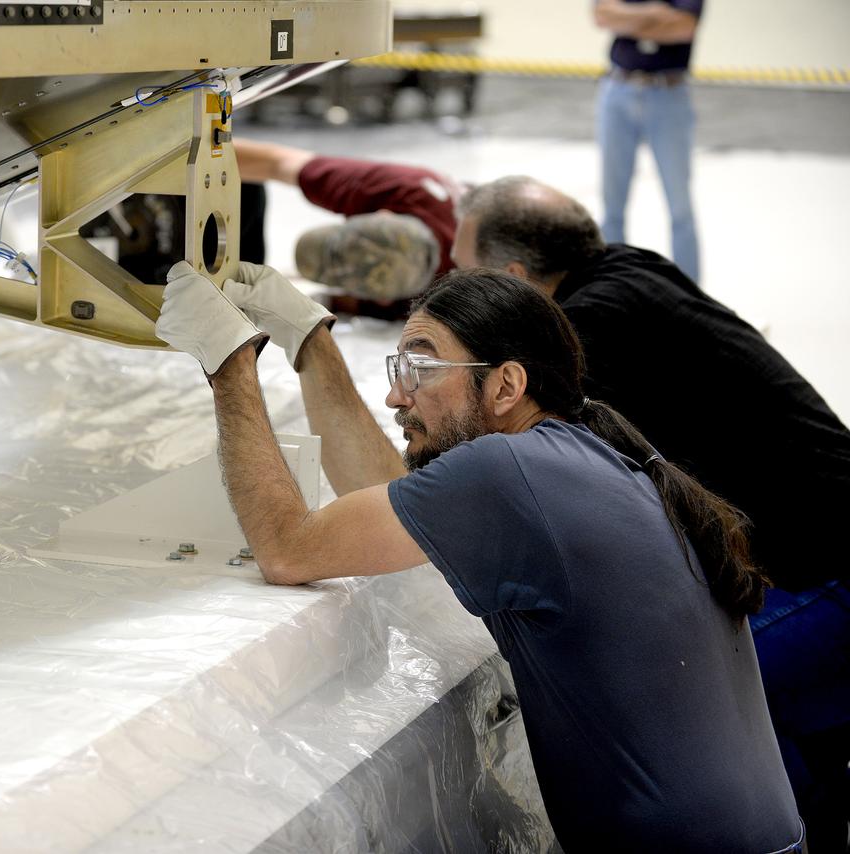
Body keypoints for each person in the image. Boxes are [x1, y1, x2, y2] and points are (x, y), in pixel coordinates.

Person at [154, 260, 803, 850]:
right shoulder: (583, 457)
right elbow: (388, 501)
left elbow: (288, 549)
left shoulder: (506, 476)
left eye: (423, 367)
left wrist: (229, 366)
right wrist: (311, 343)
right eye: (399, 368)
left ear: (505, 385)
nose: (396, 396)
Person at [452, 174, 850, 851]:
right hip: (817, 550)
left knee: (705, 707)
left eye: (463, 271)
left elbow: (489, 463)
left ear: (516, 278)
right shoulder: (632, 269)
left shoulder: (588, 328)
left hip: (832, 573)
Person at [233, 138, 465, 317]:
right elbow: (275, 161)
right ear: (382, 213)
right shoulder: (403, 189)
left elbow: (333, 305)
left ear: (383, 298)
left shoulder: (454, 306)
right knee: (245, 186)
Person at [593, 0, 703, 281]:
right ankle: (611, 284)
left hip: (668, 94)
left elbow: (683, 28)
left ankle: (690, 293)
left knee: (680, 207)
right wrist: (654, 14)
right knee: (612, 203)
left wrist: (629, 20)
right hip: (618, 89)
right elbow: (603, 16)